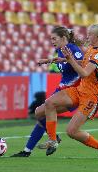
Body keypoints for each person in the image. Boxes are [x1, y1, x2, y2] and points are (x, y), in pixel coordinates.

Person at [11, 26, 84, 157]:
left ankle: (53, 139)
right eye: (51, 39)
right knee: (40, 114)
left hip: (72, 91)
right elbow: (61, 61)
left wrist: (68, 60)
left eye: (54, 38)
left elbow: (84, 63)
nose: (52, 41)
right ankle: (28, 150)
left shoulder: (73, 49)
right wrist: (47, 60)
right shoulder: (60, 50)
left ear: (63, 38)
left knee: (40, 112)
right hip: (62, 89)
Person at [43, 24, 98, 158]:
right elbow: (83, 62)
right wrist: (62, 59)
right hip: (80, 90)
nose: (88, 36)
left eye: (90, 34)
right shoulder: (92, 49)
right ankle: (52, 141)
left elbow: (84, 73)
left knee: (71, 131)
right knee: (49, 103)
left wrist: (70, 60)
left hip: (92, 96)